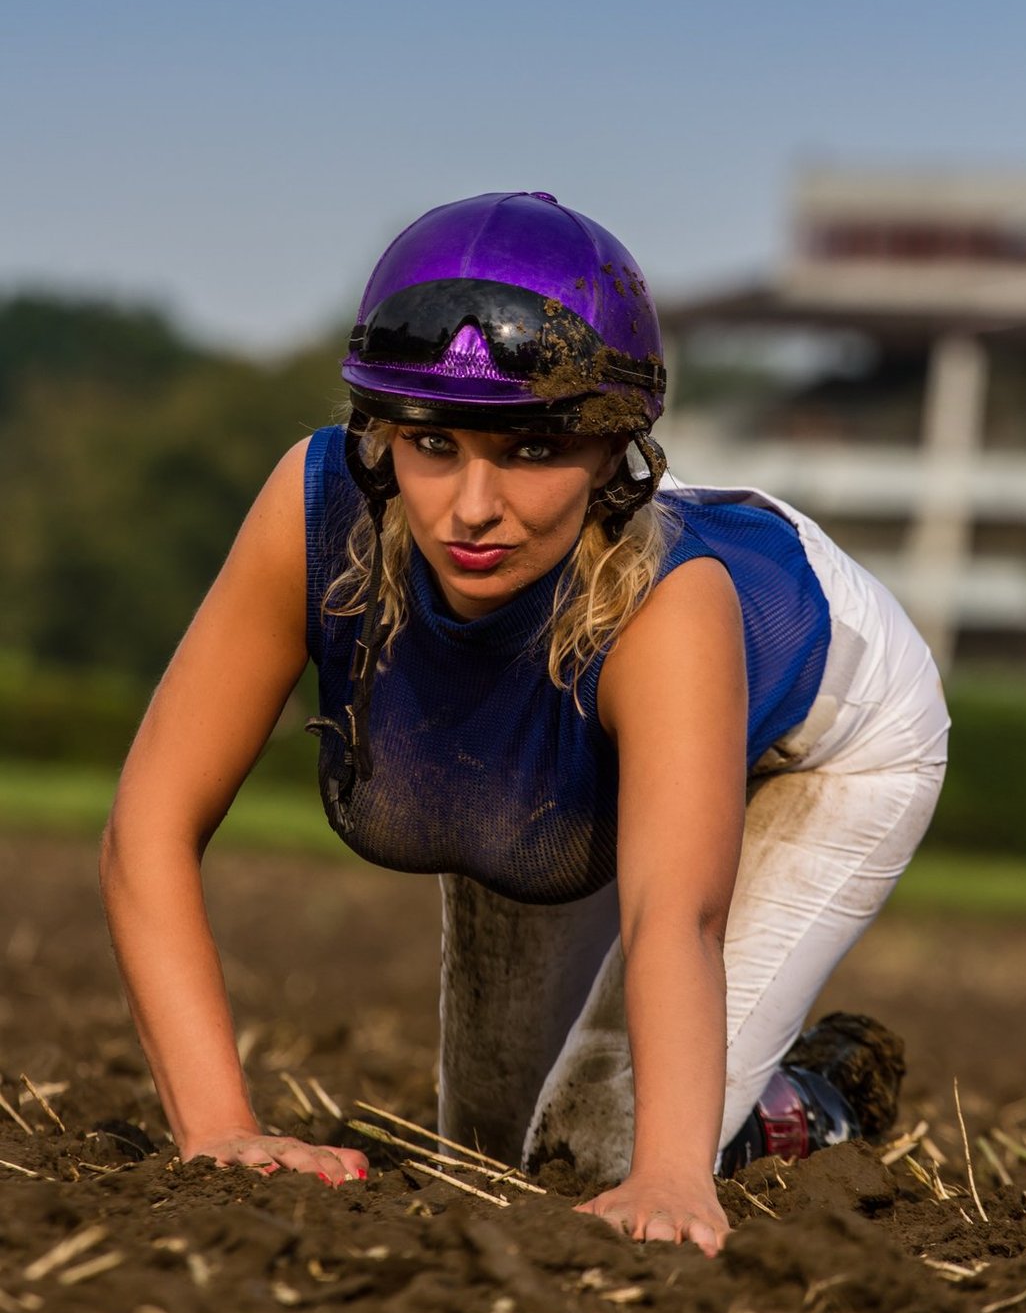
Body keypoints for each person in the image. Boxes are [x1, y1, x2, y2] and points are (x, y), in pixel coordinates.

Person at [101, 191, 949, 1257]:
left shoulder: (669, 603)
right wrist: (217, 1127)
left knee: (604, 1154)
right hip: (580, 730)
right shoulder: (314, 506)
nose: (471, 507)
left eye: (534, 449)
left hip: (836, 738)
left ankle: (806, 1100)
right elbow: (149, 827)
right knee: (491, 1158)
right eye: (433, 442)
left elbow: (671, 919)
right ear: (379, 436)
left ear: (612, 454)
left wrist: (674, 1175)